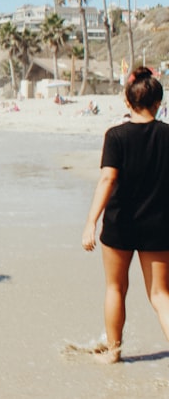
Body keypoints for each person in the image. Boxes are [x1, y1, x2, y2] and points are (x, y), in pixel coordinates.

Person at [81, 67, 169, 363]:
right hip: (159, 225)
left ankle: (114, 353)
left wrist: (91, 222)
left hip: (120, 223)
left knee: (115, 288)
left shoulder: (116, 136)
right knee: (160, 295)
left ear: (127, 103)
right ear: (159, 102)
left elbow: (107, 180)